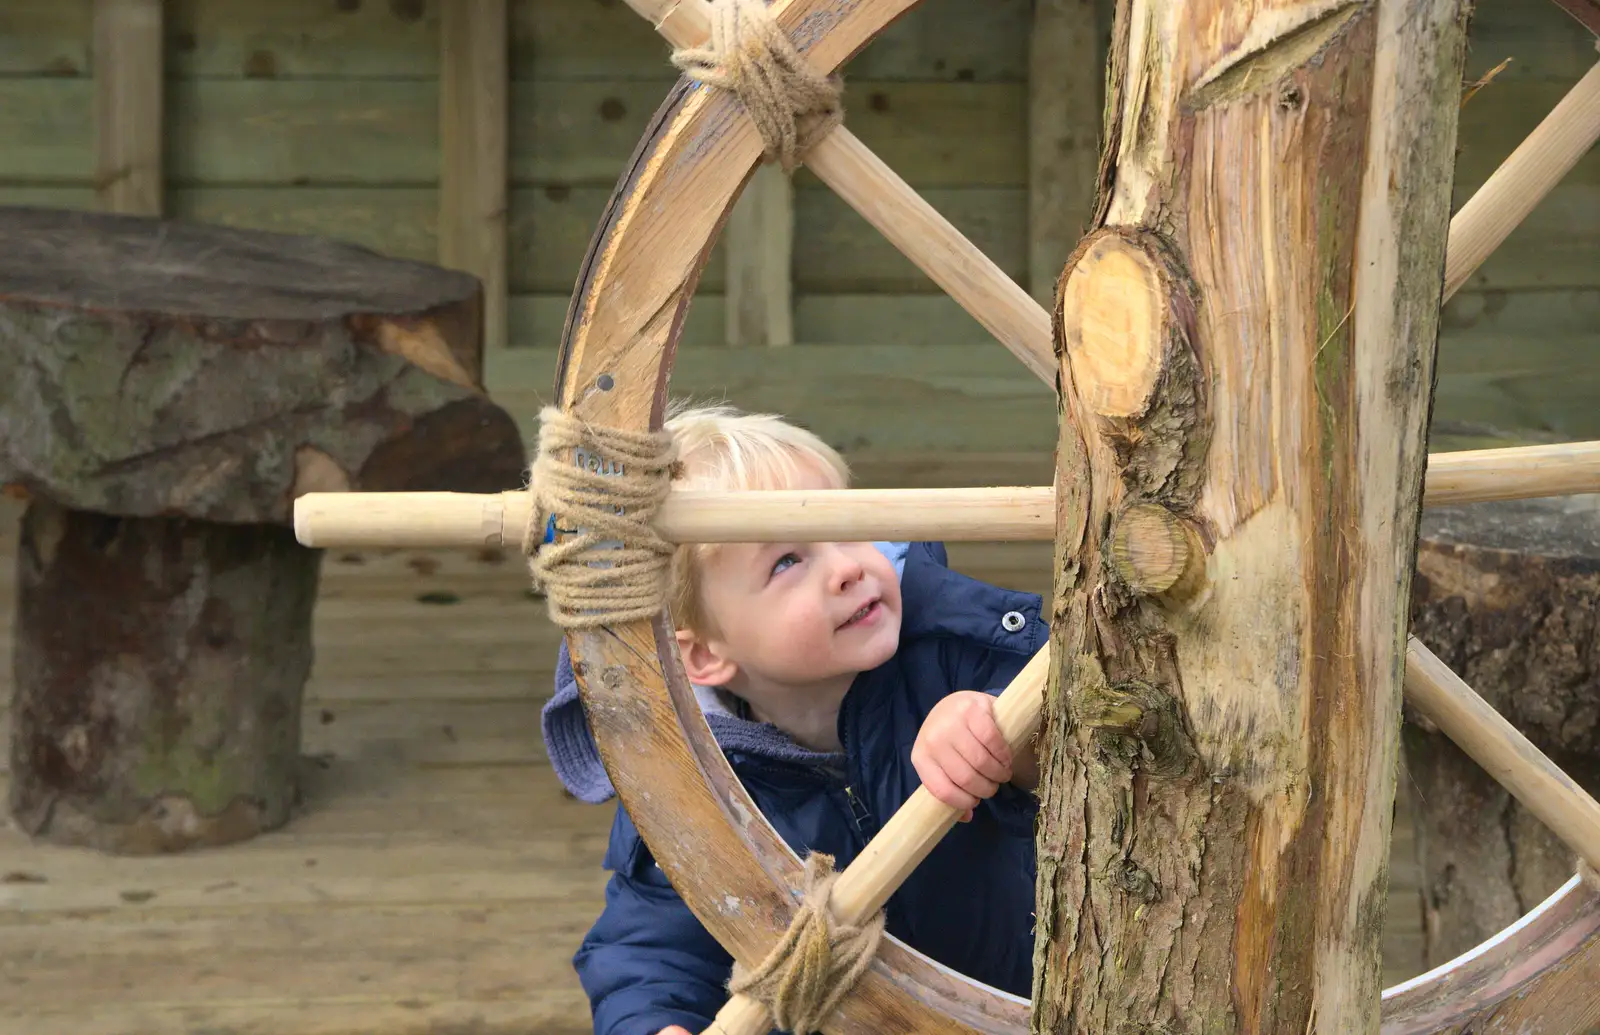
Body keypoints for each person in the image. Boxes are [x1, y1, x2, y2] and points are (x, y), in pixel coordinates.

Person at [539, 403, 1046, 1035]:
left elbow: (1093, 739)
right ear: (699, 654)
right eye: (787, 562)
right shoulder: (689, 781)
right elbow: (649, 946)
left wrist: (1003, 732)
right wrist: (654, 1023)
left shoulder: (957, 648)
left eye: (848, 528)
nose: (847, 568)